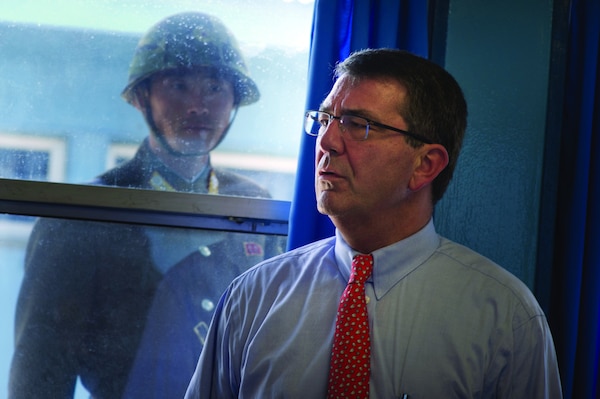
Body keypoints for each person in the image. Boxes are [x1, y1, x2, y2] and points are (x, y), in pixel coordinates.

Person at [185, 48, 563, 398]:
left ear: (425, 165)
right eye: (325, 119)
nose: (327, 141)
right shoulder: (253, 297)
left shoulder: (505, 318)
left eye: (358, 124)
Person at [9, 12, 282, 399]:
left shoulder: (257, 207)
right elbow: (38, 379)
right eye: (179, 85)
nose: (198, 106)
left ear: (235, 99)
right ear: (141, 97)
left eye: (215, 87)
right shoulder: (81, 216)